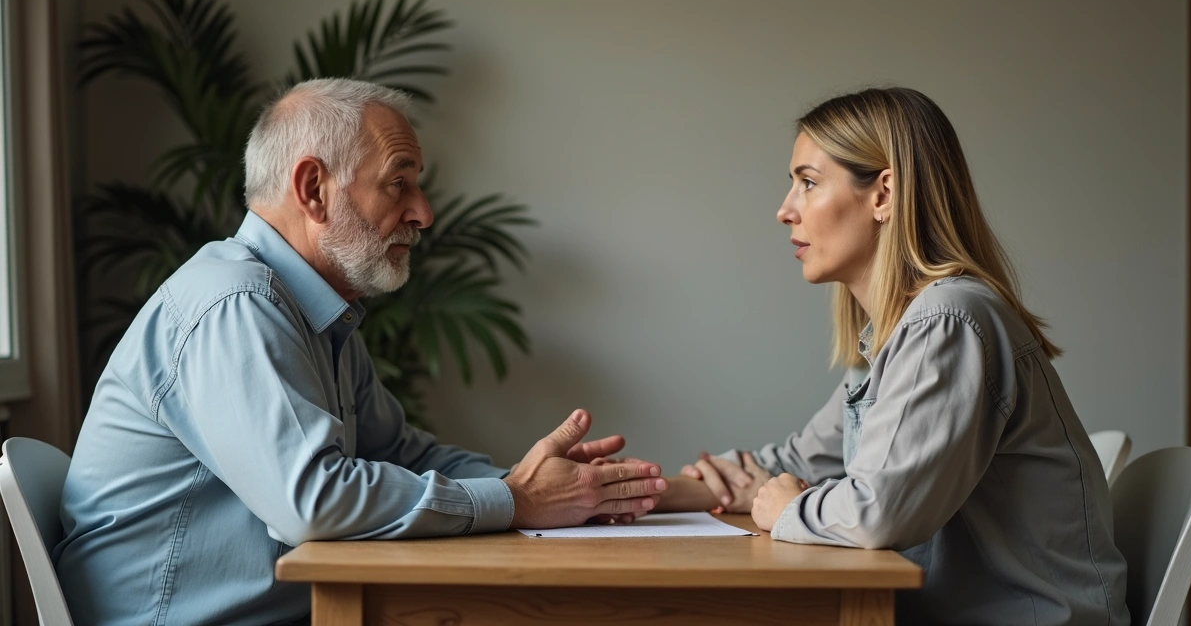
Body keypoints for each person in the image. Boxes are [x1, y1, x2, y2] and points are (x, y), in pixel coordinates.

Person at [54, 78, 666, 626]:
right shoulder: (235, 304)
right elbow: (314, 504)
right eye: (398, 183)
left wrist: (559, 486)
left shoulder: (313, 311)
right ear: (313, 188)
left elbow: (400, 452)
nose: (423, 213)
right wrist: (520, 499)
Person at [657, 87, 1131, 626]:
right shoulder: (904, 332)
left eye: (807, 183)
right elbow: (793, 464)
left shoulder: (947, 321)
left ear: (883, 194)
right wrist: (634, 494)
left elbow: (877, 513)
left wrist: (787, 508)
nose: (784, 210)